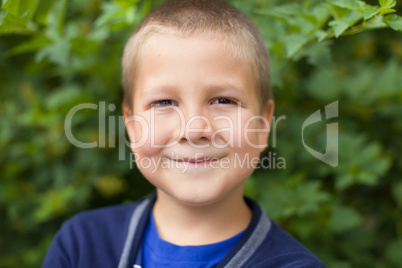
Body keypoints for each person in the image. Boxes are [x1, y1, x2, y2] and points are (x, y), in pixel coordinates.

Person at [43, 0, 326, 267]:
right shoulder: (81, 246)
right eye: (164, 102)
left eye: (223, 100)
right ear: (132, 126)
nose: (194, 130)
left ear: (262, 125)